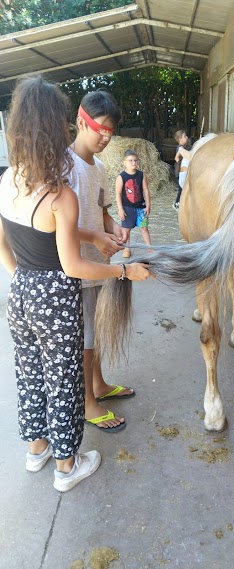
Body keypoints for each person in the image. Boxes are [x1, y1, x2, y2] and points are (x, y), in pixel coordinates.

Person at [0, 75, 151, 492]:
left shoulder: (8, 180)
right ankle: (66, 467)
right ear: (57, 128)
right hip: (56, 299)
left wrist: (26, 281)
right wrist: (125, 270)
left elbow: (11, 242)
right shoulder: (61, 194)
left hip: (22, 294)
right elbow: (72, 267)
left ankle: (37, 451)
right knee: (65, 382)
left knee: (29, 374)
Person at [70, 91, 137, 433]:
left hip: (99, 263)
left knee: (94, 334)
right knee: (85, 339)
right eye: (101, 131)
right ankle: (86, 403)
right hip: (76, 268)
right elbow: (57, 227)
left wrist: (115, 230)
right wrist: (95, 238)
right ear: (82, 122)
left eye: (111, 133)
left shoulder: (98, 167)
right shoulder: (63, 166)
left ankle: (98, 385)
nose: (105, 139)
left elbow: (103, 213)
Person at [115, 149, 151, 258]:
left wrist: (148, 205)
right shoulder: (121, 177)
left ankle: (150, 249)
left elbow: (146, 190)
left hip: (140, 208)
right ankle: (127, 249)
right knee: (126, 230)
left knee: (144, 228)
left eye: (136, 160)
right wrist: (120, 209)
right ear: (124, 162)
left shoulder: (141, 175)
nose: (134, 163)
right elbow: (118, 194)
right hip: (127, 208)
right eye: (130, 160)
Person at [172, 130, 191, 212]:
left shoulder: (183, 147)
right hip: (180, 171)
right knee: (181, 189)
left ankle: (179, 203)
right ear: (180, 139)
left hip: (180, 171)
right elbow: (177, 158)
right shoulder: (180, 148)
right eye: (185, 136)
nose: (187, 137)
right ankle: (177, 203)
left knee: (181, 189)